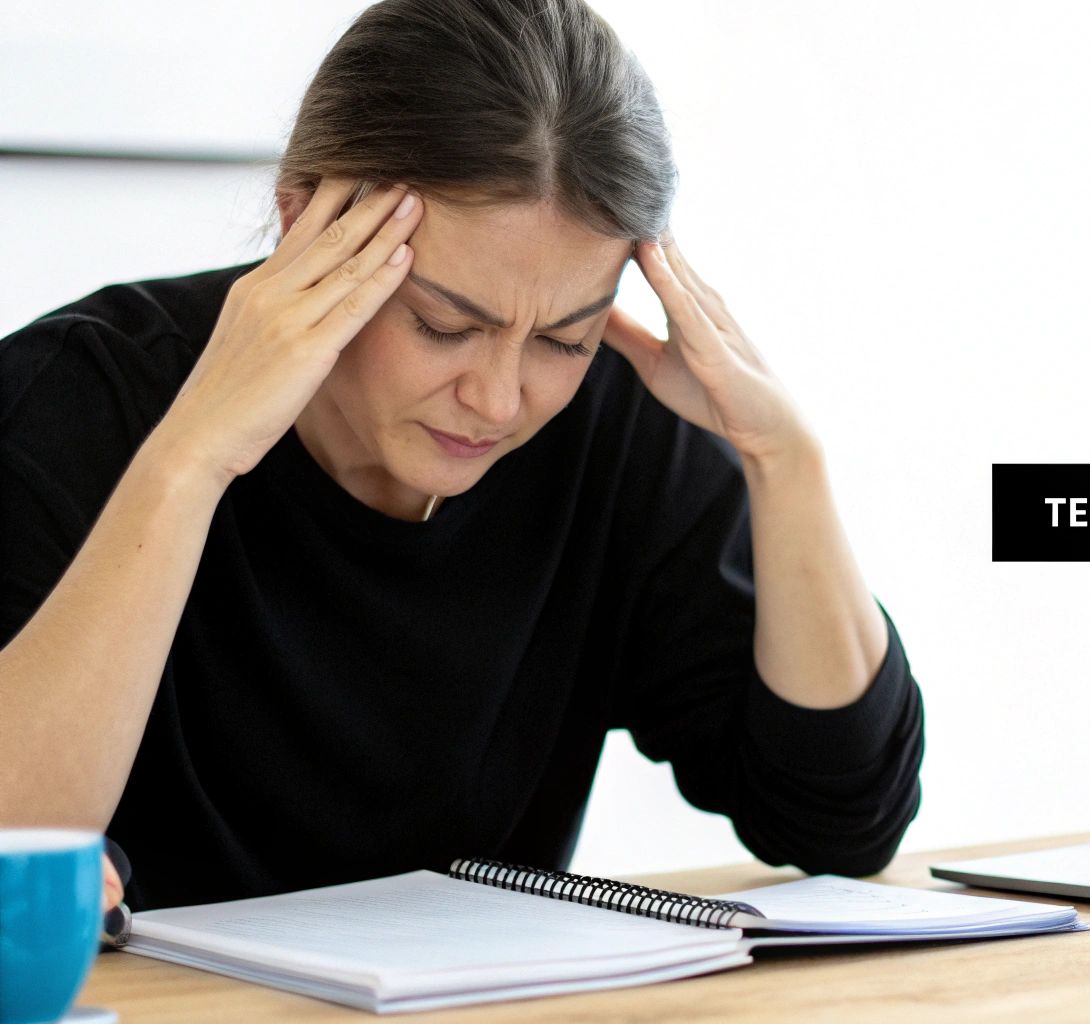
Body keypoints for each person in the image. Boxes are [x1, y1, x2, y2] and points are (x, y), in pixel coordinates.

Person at [0, 0, 924, 913]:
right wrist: (189, 465)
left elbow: (839, 822)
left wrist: (783, 458)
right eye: (445, 325)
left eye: (565, 337)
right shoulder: (79, 396)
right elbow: (12, 845)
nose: (498, 398)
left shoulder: (612, 426)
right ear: (303, 225)